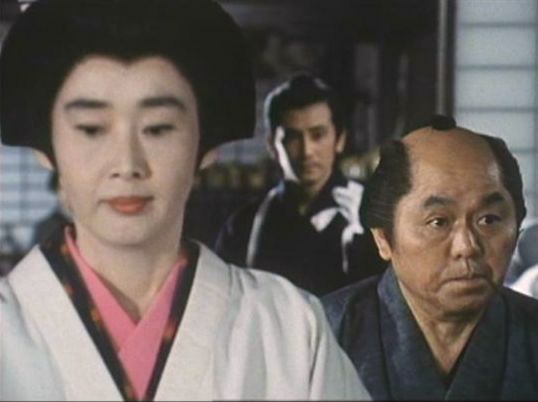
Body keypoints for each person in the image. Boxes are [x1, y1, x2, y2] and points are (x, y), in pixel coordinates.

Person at [0, 1, 369, 400]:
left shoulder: (288, 328)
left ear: (206, 145)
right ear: (45, 146)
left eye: (158, 128)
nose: (127, 165)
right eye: (91, 129)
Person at [323, 116, 538, 400]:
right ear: (383, 239)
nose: (467, 246)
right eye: (438, 222)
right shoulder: (323, 332)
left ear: (518, 229)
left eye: (489, 219)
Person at [215, 74, 385, 296]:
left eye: (318, 135)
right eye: (293, 137)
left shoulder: (372, 217)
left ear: (340, 139)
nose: (307, 151)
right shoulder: (244, 226)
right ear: (272, 145)